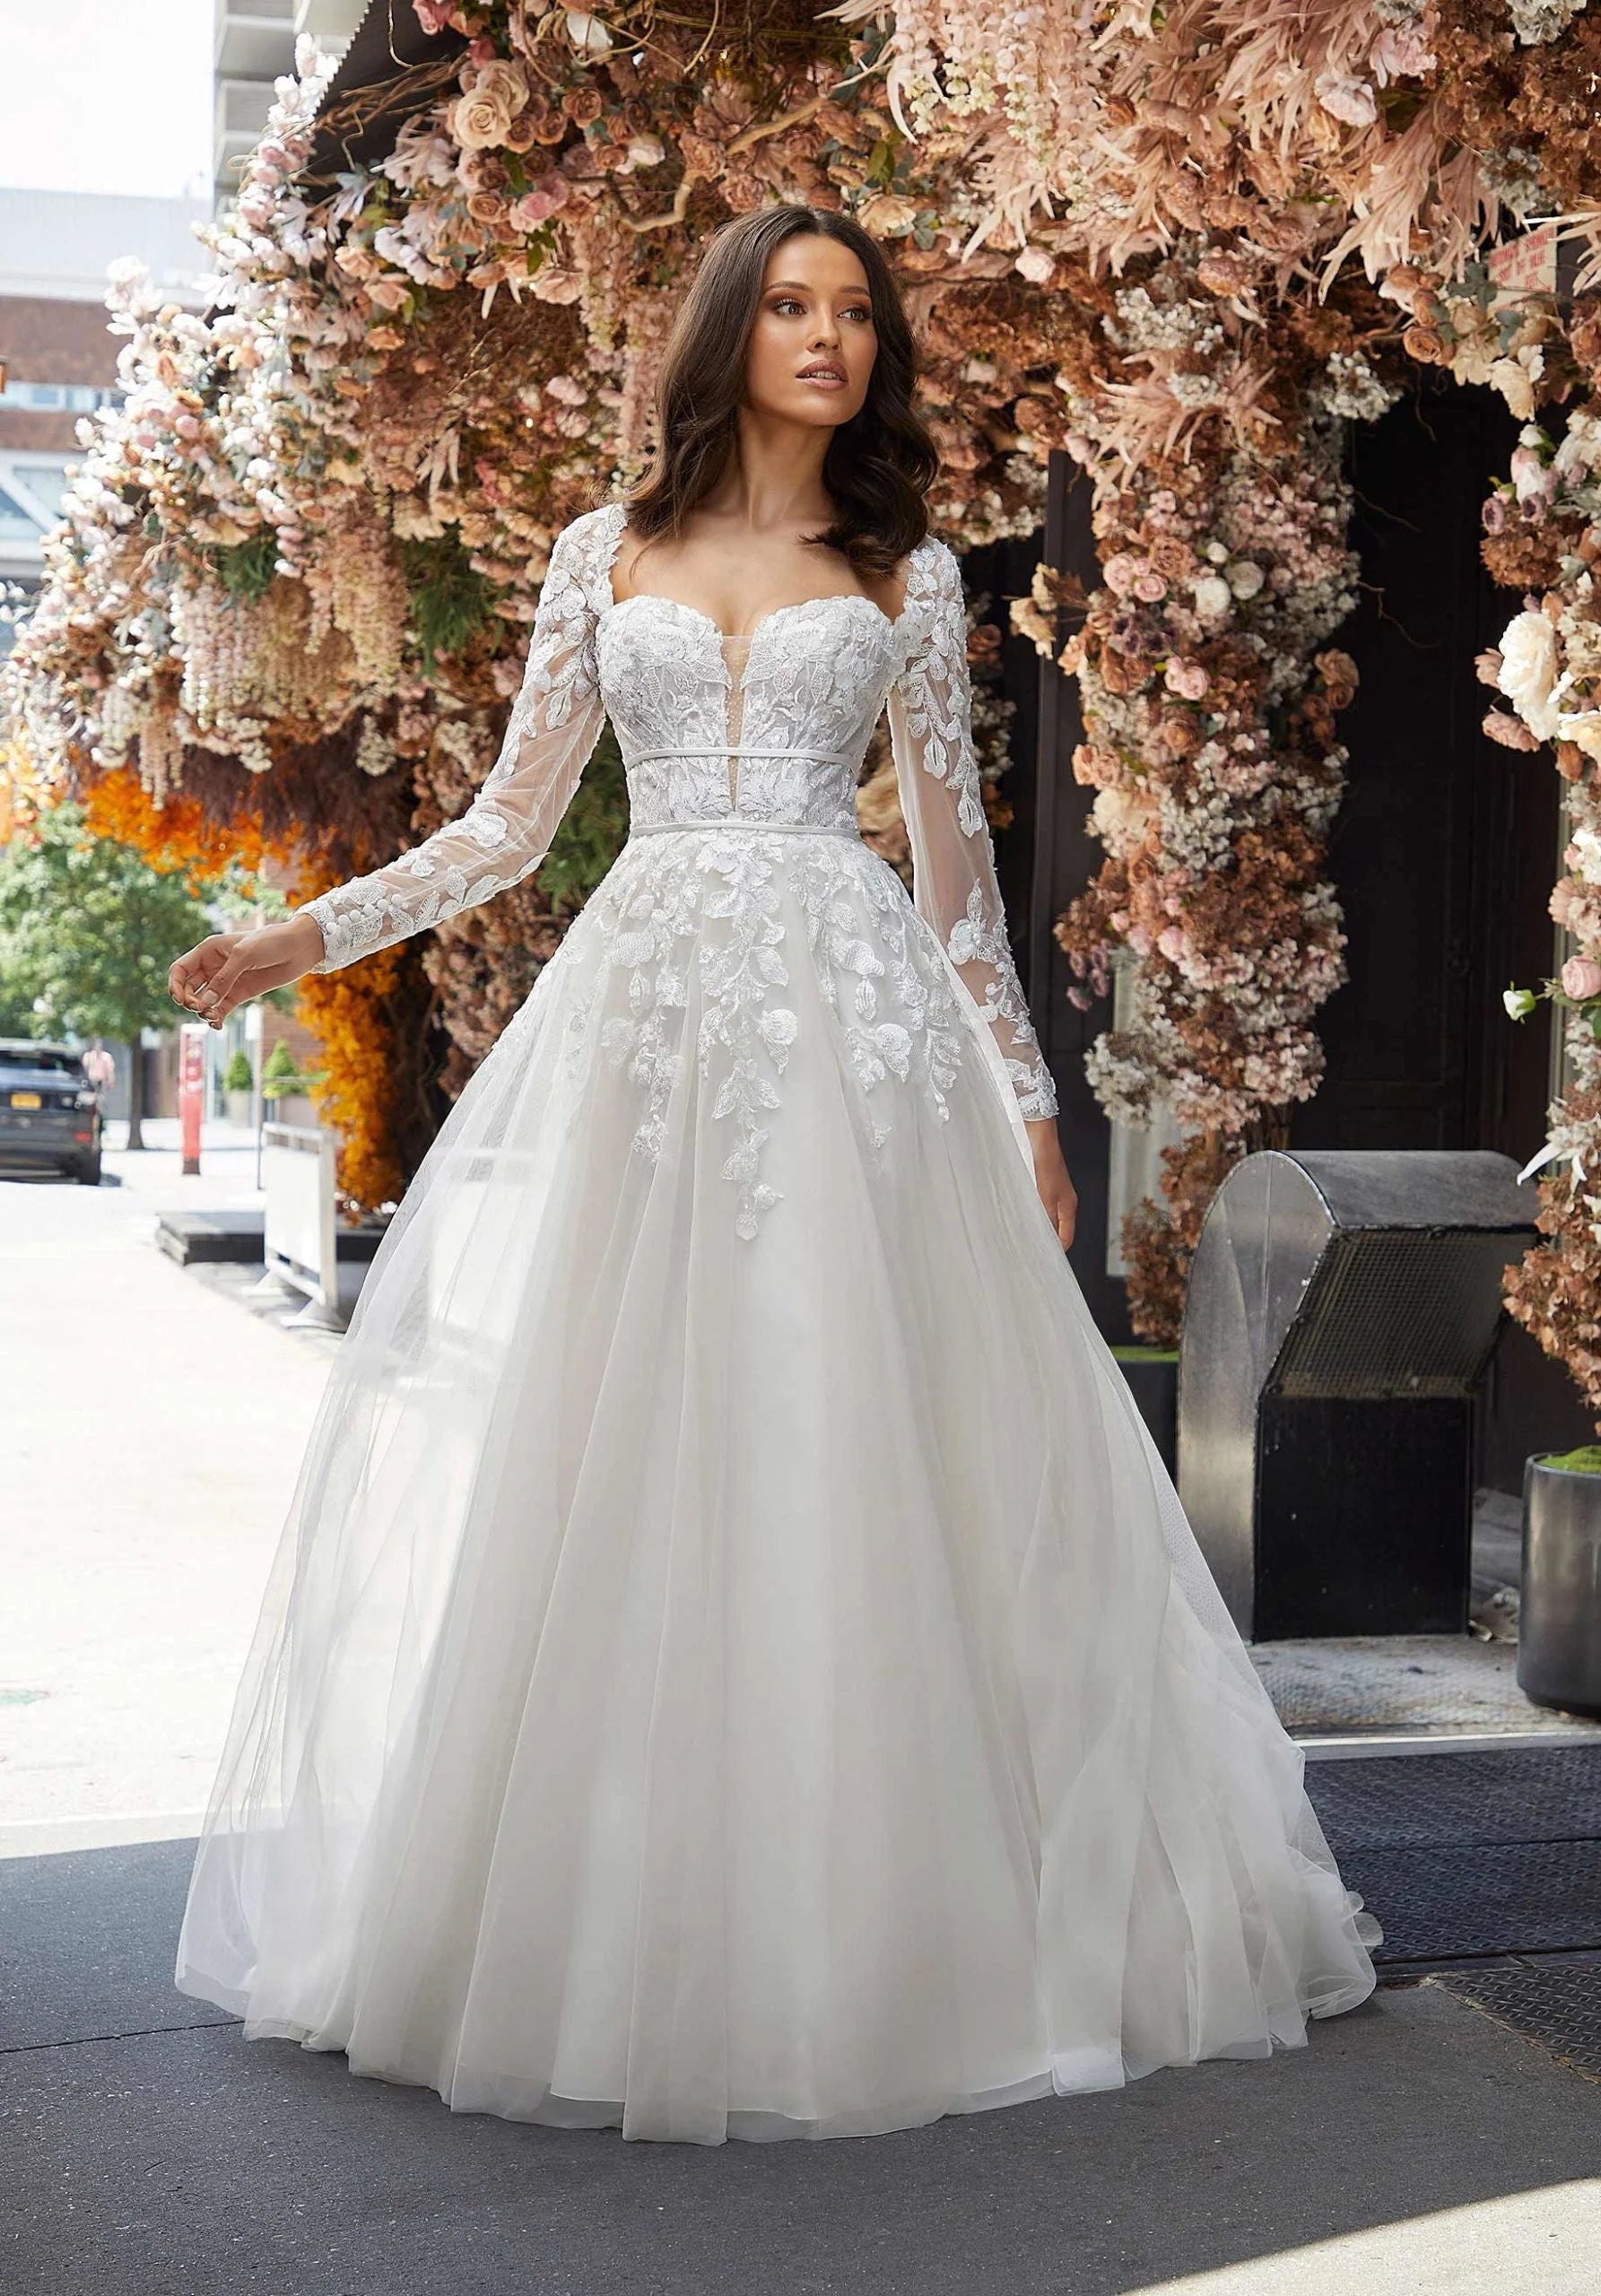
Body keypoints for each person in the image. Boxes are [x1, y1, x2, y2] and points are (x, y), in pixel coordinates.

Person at [166, 204, 1378, 2147]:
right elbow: (498, 828)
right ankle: (606, 1909)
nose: (827, 338)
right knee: (613, 1442)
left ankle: (890, 1916)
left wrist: (1026, 1102)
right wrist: (291, 941)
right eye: (792, 307)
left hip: (850, 1034)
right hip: (644, 1028)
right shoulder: (599, 554)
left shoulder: (903, 574)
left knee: (849, 1430)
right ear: (728, 331)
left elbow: (959, 881)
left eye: (854, 315)